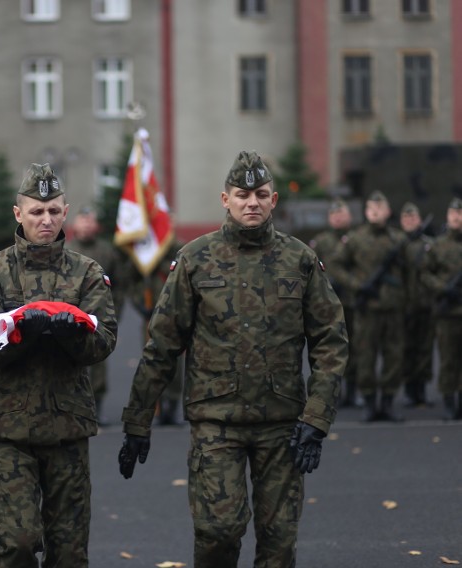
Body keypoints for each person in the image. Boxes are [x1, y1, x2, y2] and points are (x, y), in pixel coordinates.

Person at [117, 151, 348, 568]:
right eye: (243, 195)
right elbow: (163, 343)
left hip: (282, 425)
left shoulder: (300, 261)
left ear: (274, 200)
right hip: (216, 422)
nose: (252, 203)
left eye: (261, 194)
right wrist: (137, 421)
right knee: (218, 533)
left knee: (279, 544)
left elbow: (331, 340)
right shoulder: (195, 259)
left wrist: (316, 418)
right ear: (225, 199)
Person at [0, 163, 117, 567]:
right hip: (8, 426)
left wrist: (73, 338)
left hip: (67, 424)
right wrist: (22, 335)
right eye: (36, 212)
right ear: (19, 214)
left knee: (68, 551)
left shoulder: (88, 274)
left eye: (53, 211)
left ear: (65, 211)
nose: (45, 220)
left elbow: (104, 341)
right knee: (16, 542)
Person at [328, 190, 408, 422]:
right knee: (366, 358)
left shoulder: (398, 239)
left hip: (393, 308)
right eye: (370, 209)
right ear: (365, 212)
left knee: (393, 357)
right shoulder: (355, 239)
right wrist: (358, 285)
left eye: (379, 208)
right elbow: (335, 265)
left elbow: (410, 271)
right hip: (367, 309)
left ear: (388, 211)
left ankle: (388, 403)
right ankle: (371, 404)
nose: (374, 212)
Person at [67, 205, 126, 424]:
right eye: (82, 220)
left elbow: (119, 285)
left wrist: (114, 314)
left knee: (98, 365)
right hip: (70, 319)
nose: (86, 225)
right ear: (75, 224)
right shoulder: (66, 249)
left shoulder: (107, 251)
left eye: (90, 221)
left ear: (96, 225)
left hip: (98, 320)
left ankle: (96, 409)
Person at [125, 239, 185, 426]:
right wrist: (140, 304)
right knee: (151, 362)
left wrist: (159, 260)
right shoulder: (144, 251)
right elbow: (131, 280)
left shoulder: (180, 250)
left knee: (175, 364)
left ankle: (172, 407)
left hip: (175, 316)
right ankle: (152, 408)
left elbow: (186, 277)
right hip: (151, 316)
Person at [309, 198, 360, 407]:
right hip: (329, 304)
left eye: (342, 213)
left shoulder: (358, 238)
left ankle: (353, 391)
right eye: (334, 214)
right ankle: (331, 392)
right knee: (329, 349)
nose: (338, 217)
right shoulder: (321, 241)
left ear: (349, 216)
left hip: (353, 301)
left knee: (355, 348)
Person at [420, 197, 462, 420]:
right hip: (447, 312)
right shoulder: (437, 245)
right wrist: (443, 289)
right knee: (447, 358)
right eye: (453, 213)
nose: (457, 217)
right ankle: (448, 401)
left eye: (460, 213)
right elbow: (425, 273)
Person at [399, 202, 435, 407]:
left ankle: (421, 389)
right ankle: (409, 389)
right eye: (406, 219)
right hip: (404, 305)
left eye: (413, 218)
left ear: (419, 220)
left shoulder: (428, 244)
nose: (410, 222)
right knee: (406, 348)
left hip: (425, 304)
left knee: (425, 348)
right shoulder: (398, 244)